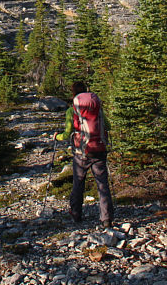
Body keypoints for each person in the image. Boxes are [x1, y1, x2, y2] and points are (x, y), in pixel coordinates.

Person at [54, 81, 114, 228]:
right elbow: (108, 126)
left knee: (78, 182)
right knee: (102, 183)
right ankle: (106, 218)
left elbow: (68, 133)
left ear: (74, 94)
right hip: (99, 149)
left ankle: (76, 214)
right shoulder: (98, 109)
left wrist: (57, 137)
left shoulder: (72, 111)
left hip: (81, 153)